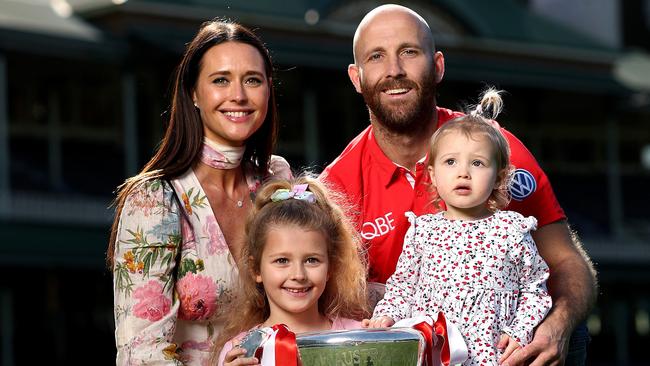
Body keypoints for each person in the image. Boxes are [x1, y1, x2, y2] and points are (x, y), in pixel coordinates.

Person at [319, 4, 596, 365]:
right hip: (418, 351)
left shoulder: (494, 149)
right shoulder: (335, 188)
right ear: (356, 78)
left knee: (570, 331)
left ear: (438, 66)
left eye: (409, 52)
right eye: (377, 56)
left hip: (507, 347)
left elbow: (566, 261)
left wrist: (556, 326)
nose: (394, 71)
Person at [109, 19, 292, 365]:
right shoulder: (155, 199)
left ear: (268, 90)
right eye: (221, 80)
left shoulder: (277, 182)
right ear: (194, 92)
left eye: (252, 80)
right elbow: (141, 355)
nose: (238, 95)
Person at [364, 89, 553, 365]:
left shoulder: (511, 230)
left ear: (499, 177)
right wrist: (387, 314)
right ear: (433, 174)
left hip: (492, 355)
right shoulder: (422, 230)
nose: (463, 172)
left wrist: (520, 331)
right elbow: (403, 286)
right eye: (450, 162)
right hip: (435, 354)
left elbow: (535, 290)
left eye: (477, 163)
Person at [215, 176, 368, 365]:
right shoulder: (239, 352)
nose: (298, 275)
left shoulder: (359, 338)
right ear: (256, 269)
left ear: (331, 267)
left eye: (312, 260)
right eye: (282, 260)